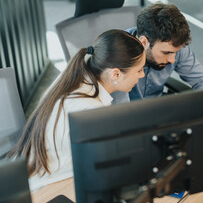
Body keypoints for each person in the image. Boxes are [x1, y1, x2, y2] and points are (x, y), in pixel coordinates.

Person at [7, 29, 145, 191]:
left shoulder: (77, 76)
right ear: (115, 74)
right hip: (46, 188)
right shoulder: (89, 110)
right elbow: (106, 165)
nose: (141, 75)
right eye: (139, 70)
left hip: (31, 174)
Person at [112, 3, 203, 103]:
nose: (172, 60)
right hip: (130, 112)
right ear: (144, 43)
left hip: (159, 106)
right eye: (166, 53)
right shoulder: (117, 54)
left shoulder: (174, 45)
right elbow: (120, 107)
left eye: (175, 52)